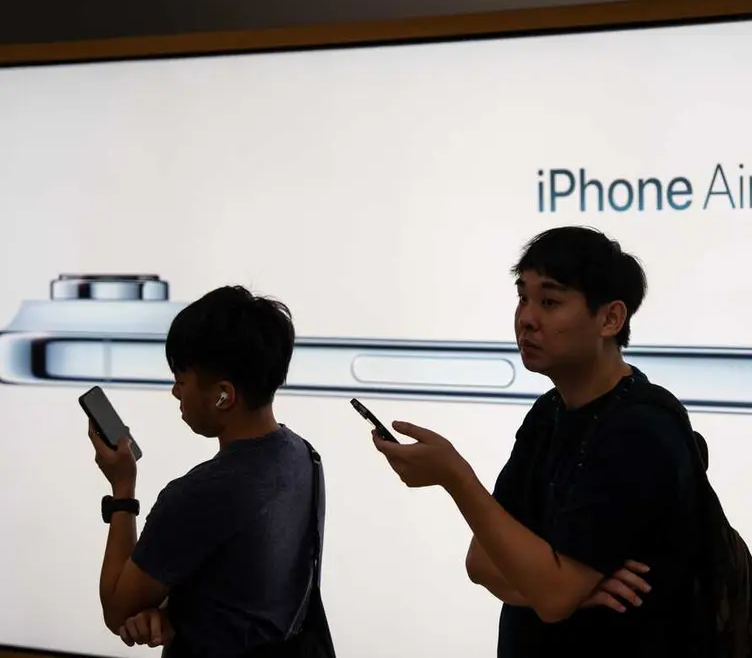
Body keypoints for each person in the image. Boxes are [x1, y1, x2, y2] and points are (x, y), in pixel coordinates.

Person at [372, 226, 703, 657]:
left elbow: (552, 595)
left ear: (610, 319)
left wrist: (456, 478)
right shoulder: (550, 412)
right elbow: (482, 562)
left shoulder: (641, 429)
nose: (526, 319)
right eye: (522, 297)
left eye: (549, 302)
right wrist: (567, 589)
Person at [87, 285, 327, 656]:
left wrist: (123, 489)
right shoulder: (304, 456)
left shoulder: (199, 495)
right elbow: (253, 589)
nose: (175, 393)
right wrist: (178, 614)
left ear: (223, 395)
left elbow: (118, 609)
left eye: (181, 381)